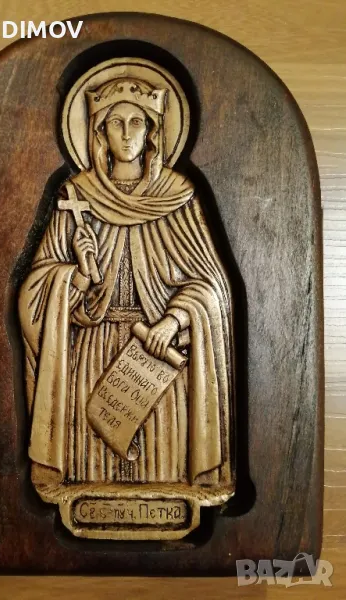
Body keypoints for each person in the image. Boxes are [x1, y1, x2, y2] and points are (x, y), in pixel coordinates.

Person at [19, 76, 234, 489]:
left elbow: (212, 287)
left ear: (152, 131)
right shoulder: (76, 197)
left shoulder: (177, 197)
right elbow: (35, 297)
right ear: (99, 131)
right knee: (93, 462)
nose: (127, 134)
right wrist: (78, 276)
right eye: (115, 123)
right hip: (93, 357)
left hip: (155, 358)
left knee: (161, 460)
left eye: (137, 122)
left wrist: (172, 321)